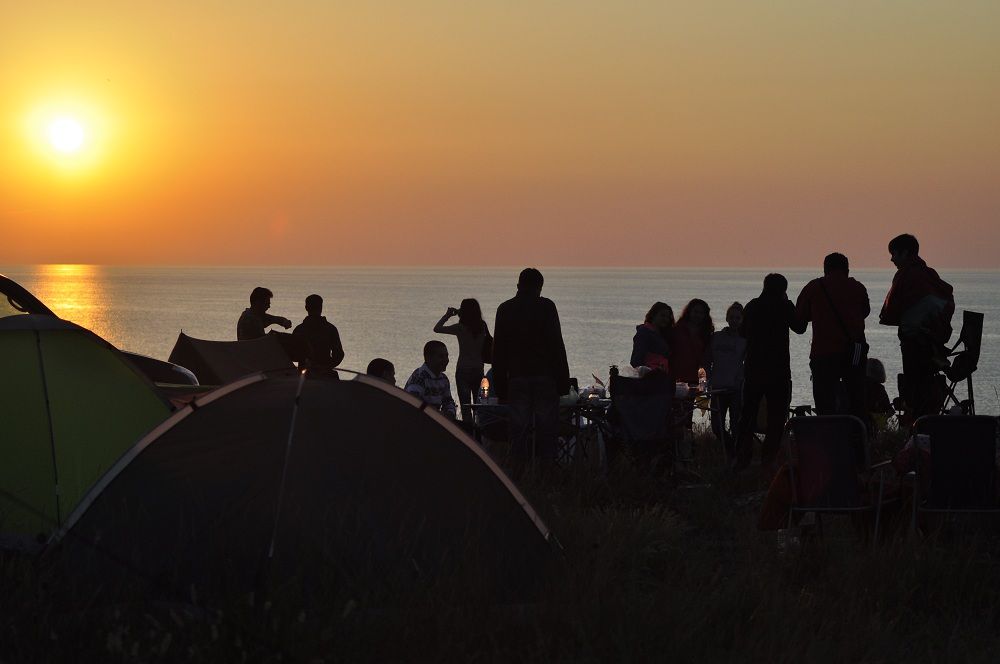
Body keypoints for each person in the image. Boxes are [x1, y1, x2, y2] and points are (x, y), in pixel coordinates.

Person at [492, 268, 570, 473]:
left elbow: (498, 350)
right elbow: (556, 345)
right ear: (540, 287)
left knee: (518, 429)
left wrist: (500, 388)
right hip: (545, 376)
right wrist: (563, 383)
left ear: (518, 285)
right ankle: (547, 474)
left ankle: (517, 476)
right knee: (547, 429)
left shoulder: (505, 309)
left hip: (517, 377)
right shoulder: (547, 307)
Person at [733, 274, 807, 474]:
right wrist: (791, 304)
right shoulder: (784, 307)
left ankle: (742, 458)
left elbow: (742, 333)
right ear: (783, 289)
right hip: (779, 370)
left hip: (754, 369)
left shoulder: (753, 306)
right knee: (776, 417)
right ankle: (768, 459)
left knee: (747, 415)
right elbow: (800, 328)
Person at [879, 234, 955, 421]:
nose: (892, 259)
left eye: (894, 254)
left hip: (914, 342)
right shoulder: (929, 275)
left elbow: (891, 309)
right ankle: (928, 423)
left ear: (905, 253)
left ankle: (917, 428)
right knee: (926, 386)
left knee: (915, 389)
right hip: (931, 343)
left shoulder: (907, 275)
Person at [794, 253, 870, 421]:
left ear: (824, 269)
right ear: (847, 270)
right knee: (857, 401)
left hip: (823, 354)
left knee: (824, 404)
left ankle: (828, 441)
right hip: (854, 352)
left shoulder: (814, 288)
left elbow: (799, 324)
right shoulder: (858, 288)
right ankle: (860, 441)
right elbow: (865, 312)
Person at [670, 299, 714, 463]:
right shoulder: (678, 330)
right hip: (676, 380)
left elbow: (707, 358)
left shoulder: (706, 333)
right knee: (674, 416)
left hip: (694, 381)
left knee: (687, 416)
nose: (698, 315)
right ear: (689, 312)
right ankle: (675, 452)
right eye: (695, 311)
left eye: (701, 313)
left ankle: (686, 453)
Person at [434, 299, 491, 422]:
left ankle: (467, 434)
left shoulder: (460, 328)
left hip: (463, 370)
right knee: (479, 406)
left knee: (465, 407)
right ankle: (478, 434)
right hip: (478, 370)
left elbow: (437, 328)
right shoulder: (482, 327)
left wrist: (448, 315)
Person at [704, 302, 746, 459]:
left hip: (735, 389)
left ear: (742, 320)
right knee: (717, 427)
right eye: (732, 317)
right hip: (717, 388)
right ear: (727, 318)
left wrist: (742, 380)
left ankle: (734, 458)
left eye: (738, 318)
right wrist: (707, 380)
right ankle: (730, 451)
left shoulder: (745, 341)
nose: (735, 320)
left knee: (736, 425)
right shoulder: (716, 338)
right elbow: (707, 361)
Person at [404, 341, 457, 419]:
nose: (446, 360)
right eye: (441, 356)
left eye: (446, 356)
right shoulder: (419, 377)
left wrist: (450, 413)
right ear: (429, 358)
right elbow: (412, 403)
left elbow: (448, 401)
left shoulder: (443, 379)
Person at [292, 294, 345, 370]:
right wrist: (327, 366)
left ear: (306, 308)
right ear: (321, 307)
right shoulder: (330, 329)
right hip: (325, 375)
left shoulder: (299, 330)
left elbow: (293, 355)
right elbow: (339, 355)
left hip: (305, 376)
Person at [630, 302, 673, 373]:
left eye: (667, 317)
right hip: (649, 376)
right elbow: (636, 359)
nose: (665, 319)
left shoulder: (662, 334)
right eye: (662, 316)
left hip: (660, 375)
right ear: (653, 315)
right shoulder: (644, 332)